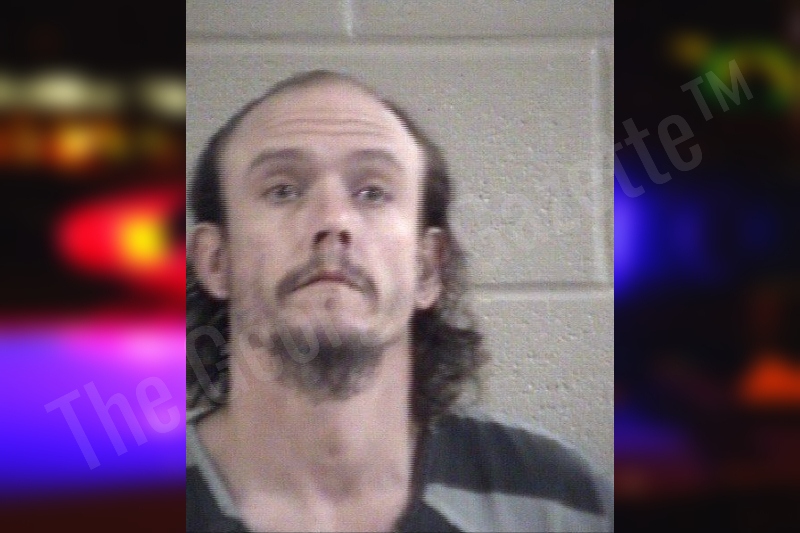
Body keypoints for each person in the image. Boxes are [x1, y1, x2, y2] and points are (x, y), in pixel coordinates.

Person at [186, 70, 613, 532]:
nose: (333, 220)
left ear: (427, 268)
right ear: (216, 261)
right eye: (283, 190)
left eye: (372, 193)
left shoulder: (562, 502)